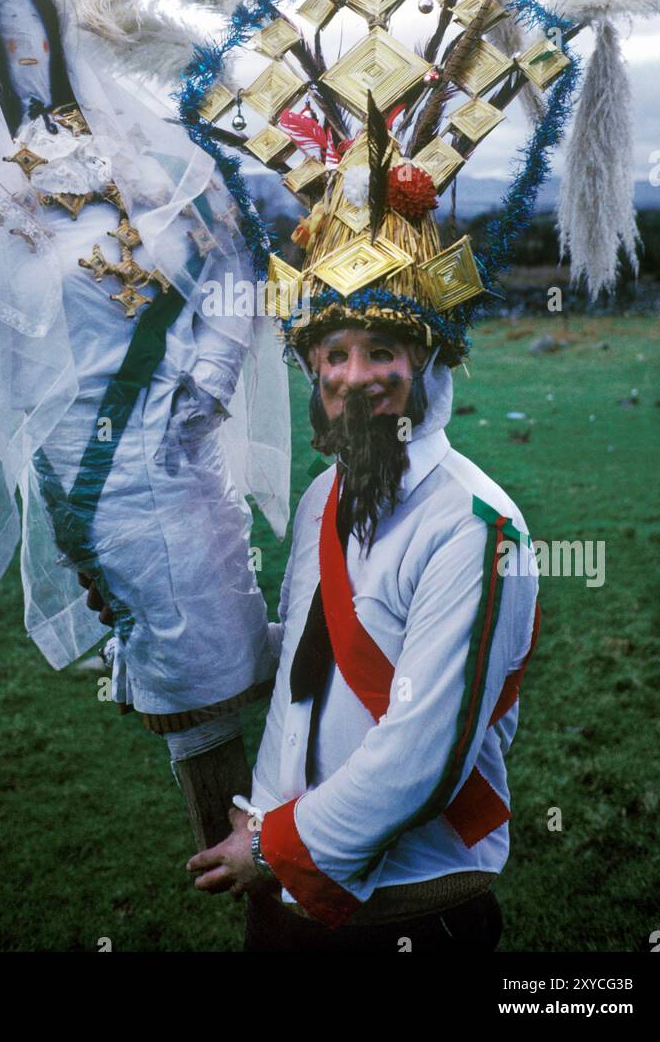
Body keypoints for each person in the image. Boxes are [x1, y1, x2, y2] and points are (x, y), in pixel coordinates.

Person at [0, 0, 290, 829]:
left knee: (240, 637)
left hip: (194, 463)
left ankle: (292, 861)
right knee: (187, 665)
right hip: (104, 476)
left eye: (42, 40)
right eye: (9, 48)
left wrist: (213, 367)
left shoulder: (146, 164)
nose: (31, 60)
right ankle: (242, 868)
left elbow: (232, 256)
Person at [186, 127, 541, 951]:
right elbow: (309, 666)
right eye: (332, 354)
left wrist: (271, 849)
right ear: (310, 370)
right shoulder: (323, 496)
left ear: (427, 365)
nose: (353, 379)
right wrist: (174, 625)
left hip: (411, 899)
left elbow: (425, 749)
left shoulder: (475, 526)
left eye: (382, 350)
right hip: (284, 887)